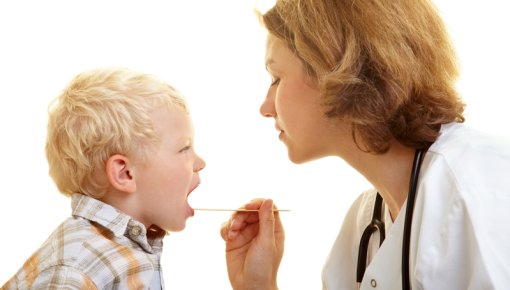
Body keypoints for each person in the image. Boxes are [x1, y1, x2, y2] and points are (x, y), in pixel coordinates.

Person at [220, 0, 510, 289]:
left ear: (333, 67)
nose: (265, 107)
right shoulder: (364, 224)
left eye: (276, 78)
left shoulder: (479, 189)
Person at [2, 67, 206, 289]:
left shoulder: (124, 251)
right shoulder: (75, 269)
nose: (200, 163)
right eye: (184, 148)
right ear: (125, 173)